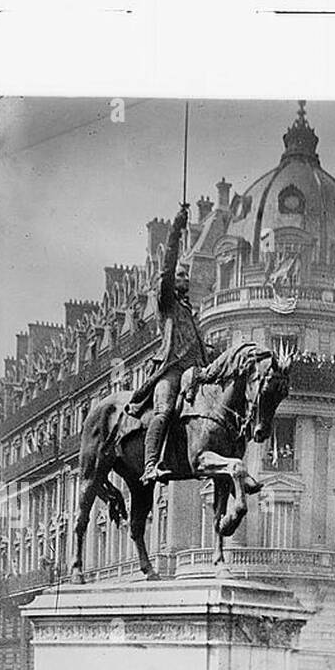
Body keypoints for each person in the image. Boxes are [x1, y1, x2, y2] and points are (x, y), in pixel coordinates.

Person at [138, 202, 208, 485]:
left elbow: (201, 347)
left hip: (195, 372)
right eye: (181, 275)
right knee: (164, 409)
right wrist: (177, 229)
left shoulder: (189, 312)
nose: (185, 278)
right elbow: (166, 268)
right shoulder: (166, 304)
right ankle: (151, 464)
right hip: (171, 369)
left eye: (186, 275)